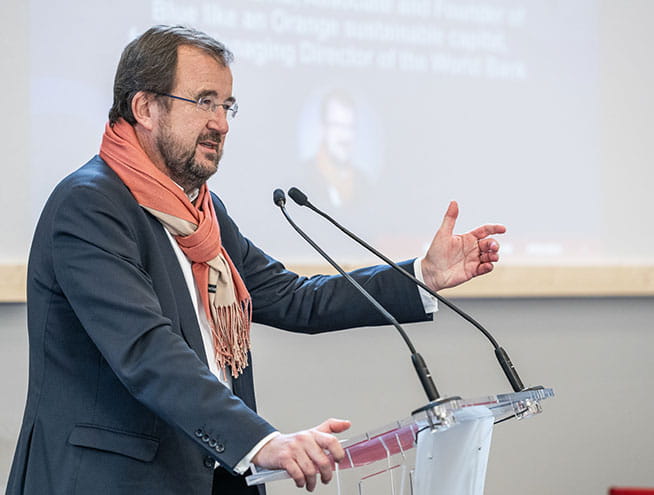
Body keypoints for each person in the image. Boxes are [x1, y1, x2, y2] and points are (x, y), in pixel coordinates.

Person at [6, 25, 505, 495]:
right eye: (204, 102)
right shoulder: (90, 205)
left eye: (228, 106)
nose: (220, 123)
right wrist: (264, 442)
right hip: (108, 481)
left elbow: (293, 298)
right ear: (144, 107)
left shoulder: (203, 210)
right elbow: (147, 352)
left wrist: (421, 276)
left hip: (210, 475)